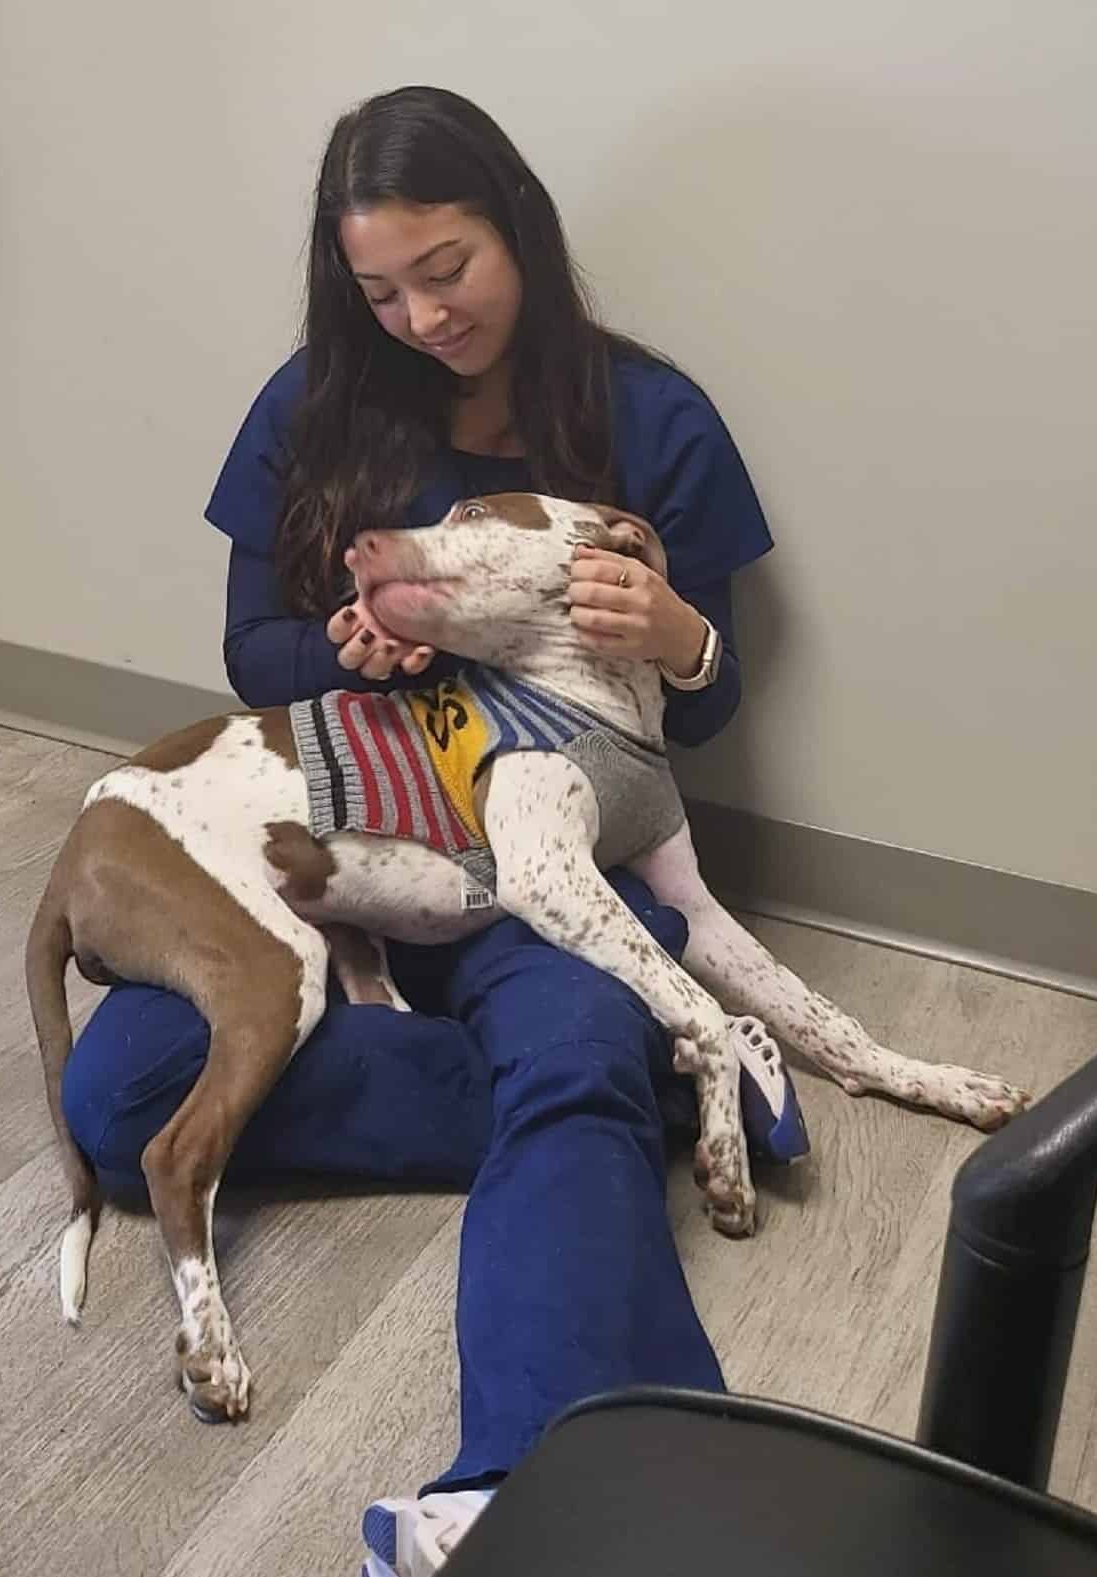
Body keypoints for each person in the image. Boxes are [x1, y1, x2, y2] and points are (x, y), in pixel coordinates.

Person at [58, 85, 799, 1576]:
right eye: (379, 289)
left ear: (516, 224)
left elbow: (708, 719)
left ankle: (536, 1481)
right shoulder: (316, 404)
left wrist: (682, 635)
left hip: (543, 866)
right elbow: (248, 652)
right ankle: (625, 1092)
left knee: (568, 1027)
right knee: (117, 1092)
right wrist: (352, 652)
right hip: (346, 850)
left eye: (445, 270)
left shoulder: (651, 419)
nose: (418, 315)